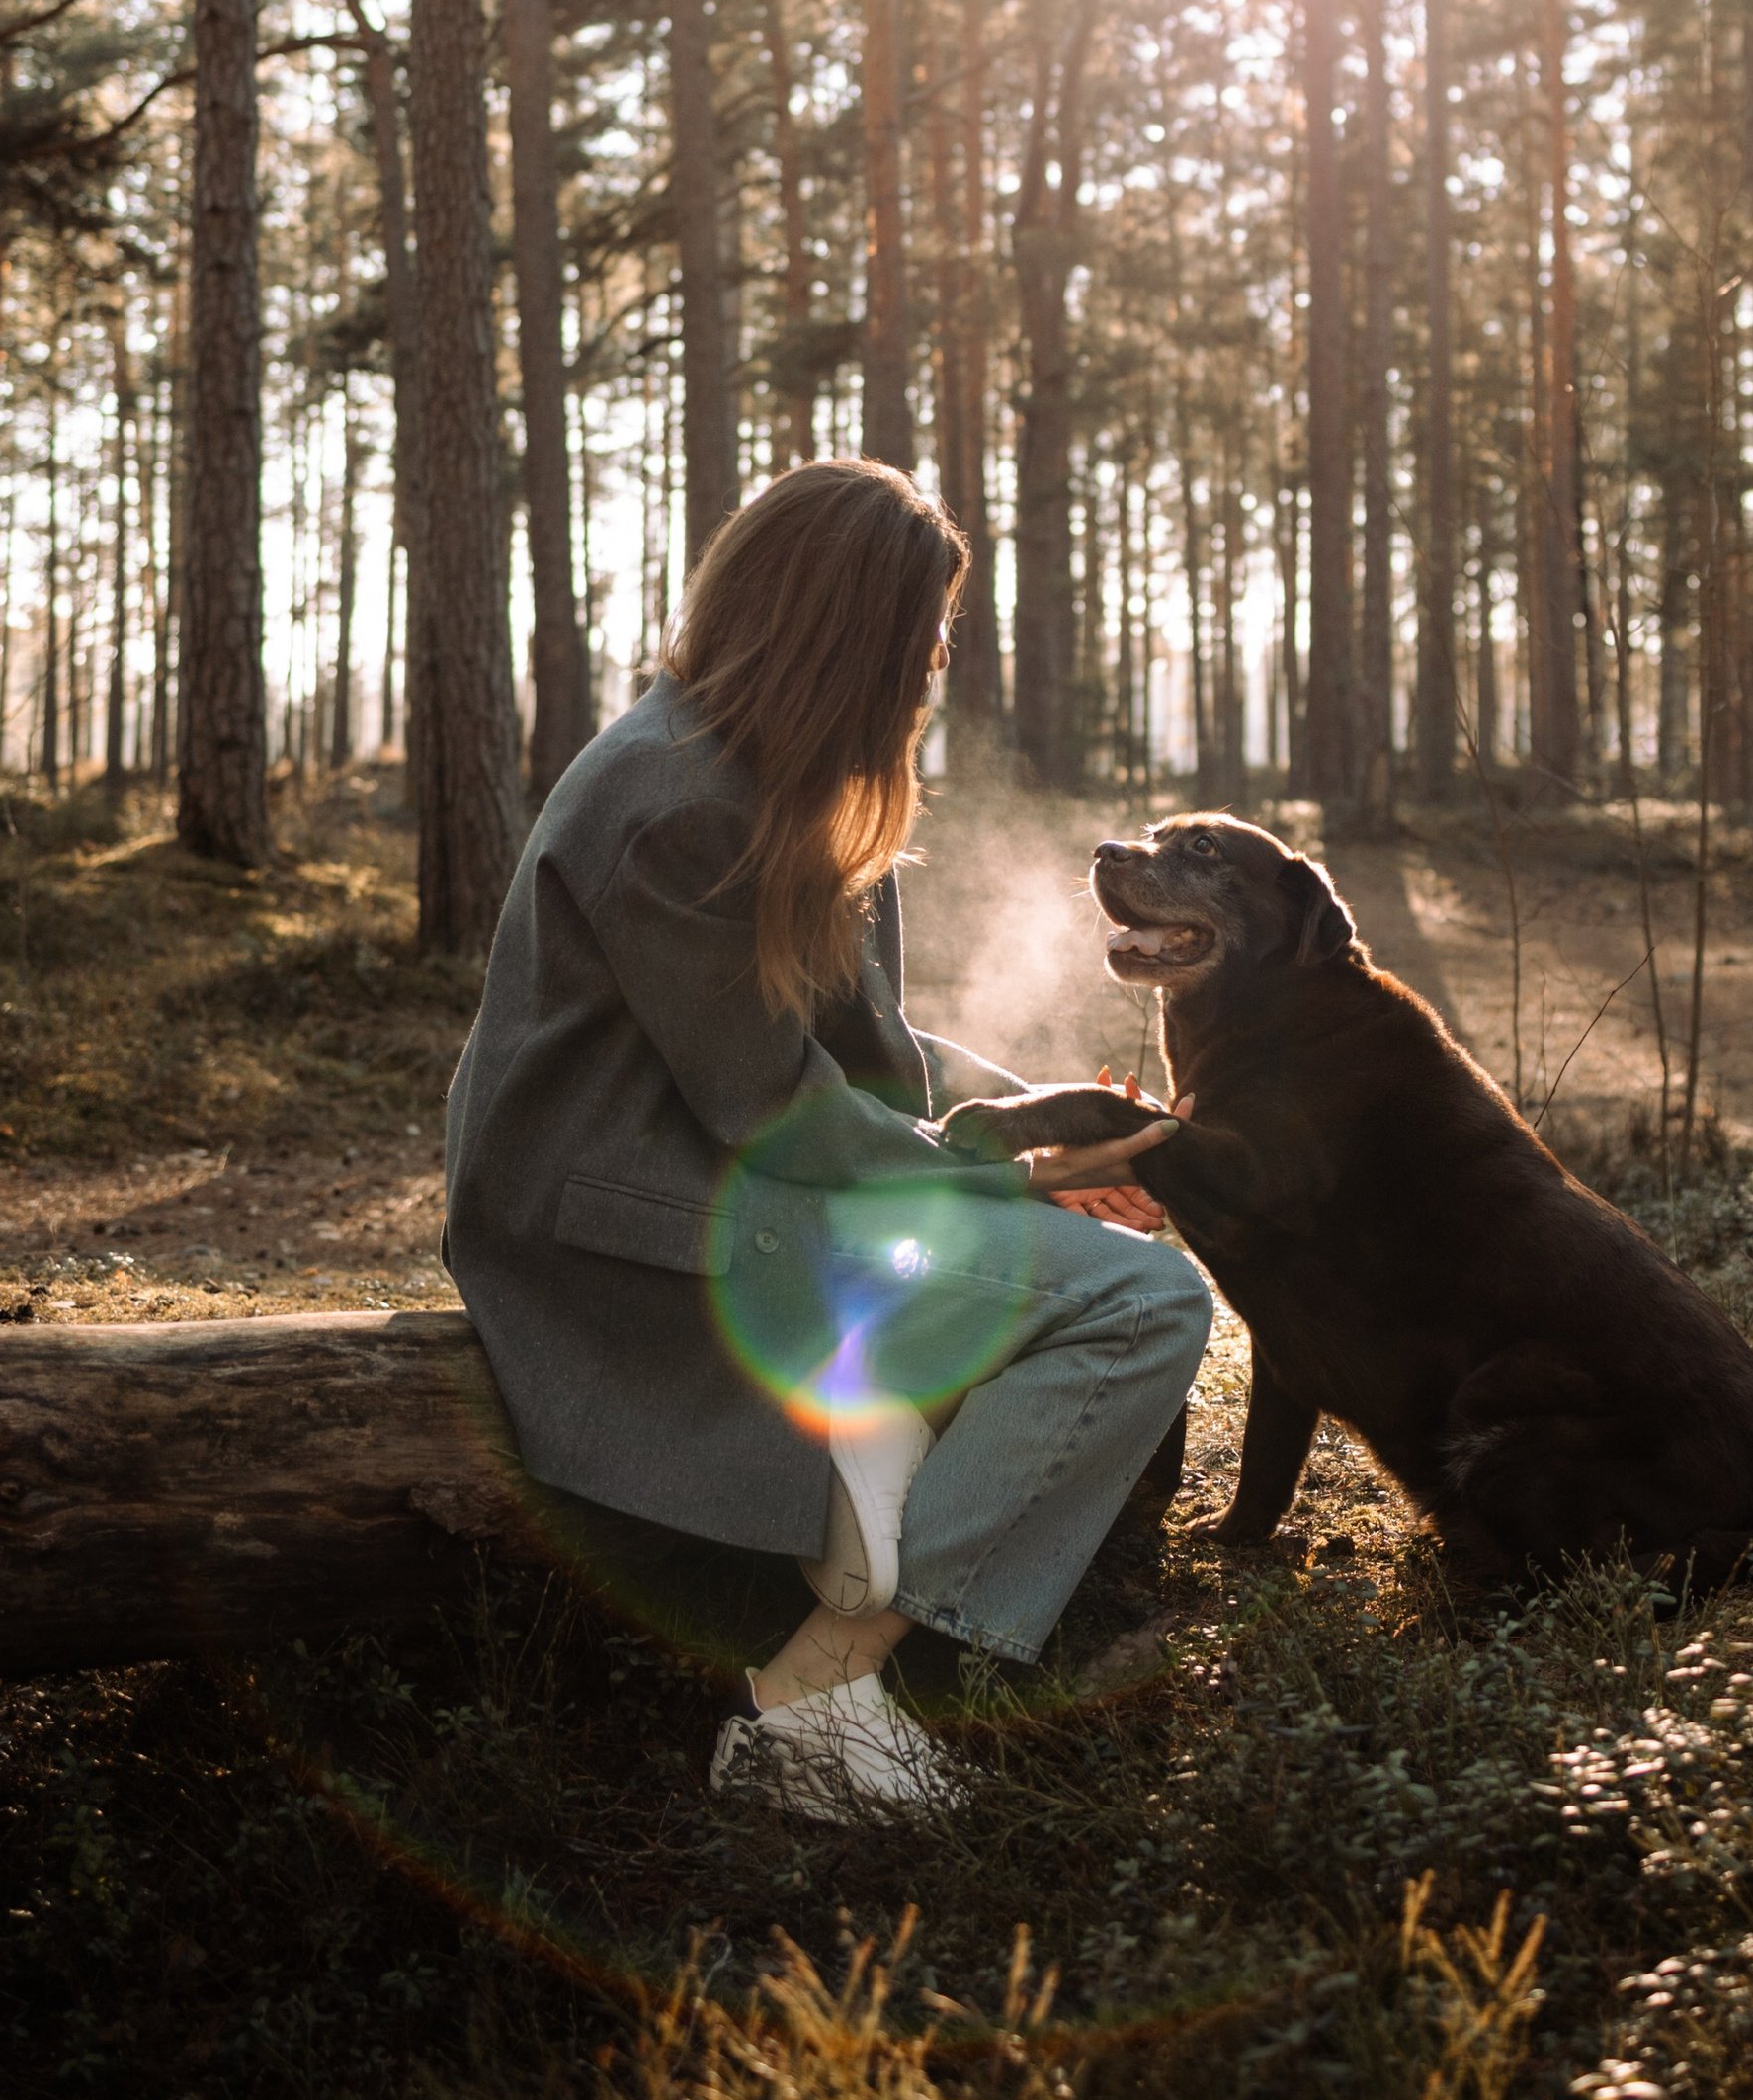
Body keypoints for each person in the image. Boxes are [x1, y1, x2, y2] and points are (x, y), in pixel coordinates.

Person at [443, 457, 1211, 1819]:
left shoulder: (774, 778)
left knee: (1120, 1282)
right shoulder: (675, 807)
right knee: (1146, 1305)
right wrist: (1018, 1174)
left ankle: (863, 1670)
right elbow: (780, 1115)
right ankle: (822, 1691)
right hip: (637, 1237)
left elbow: (870, 1060)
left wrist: (1048, 1114)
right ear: (837, 626)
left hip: (742, 1186)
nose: (932, 663)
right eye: (921, 630)